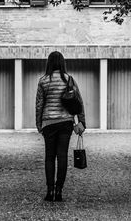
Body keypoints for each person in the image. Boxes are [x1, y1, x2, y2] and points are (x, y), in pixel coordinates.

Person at [35, 51, 86, 202]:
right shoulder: (69, 79)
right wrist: (81, 121)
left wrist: (39, 124)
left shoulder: (43, 80)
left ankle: (49, 191)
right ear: (62, 63)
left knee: (49, 157)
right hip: (65, 123)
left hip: (48, 123)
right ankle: (59, 192)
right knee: (62, 156)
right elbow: (79, 102)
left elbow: (39, 105)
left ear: (49, 63)